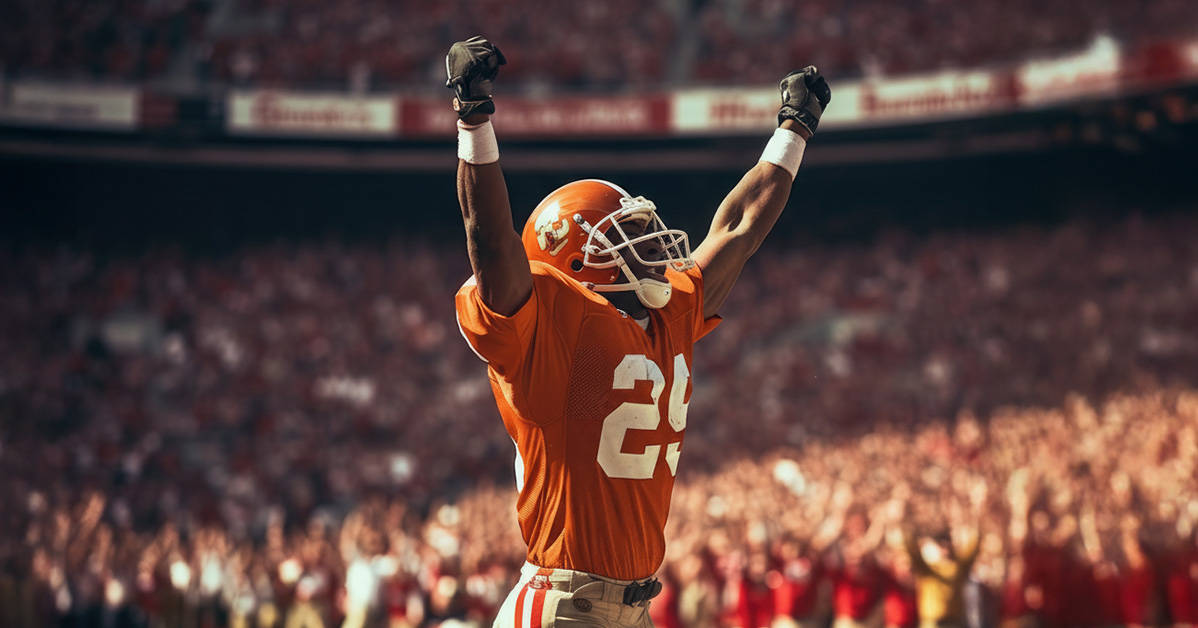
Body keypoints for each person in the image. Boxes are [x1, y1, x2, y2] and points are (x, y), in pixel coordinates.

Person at [447, 35, 831, 628]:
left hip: (632, 608)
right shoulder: (550, 324)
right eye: (624, 235)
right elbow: (491, 243)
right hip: (562, 605)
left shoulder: (668, 315)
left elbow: (738, 228)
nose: (652, 245)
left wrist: (794, 130)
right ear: (576, 261)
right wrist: (474, 120)